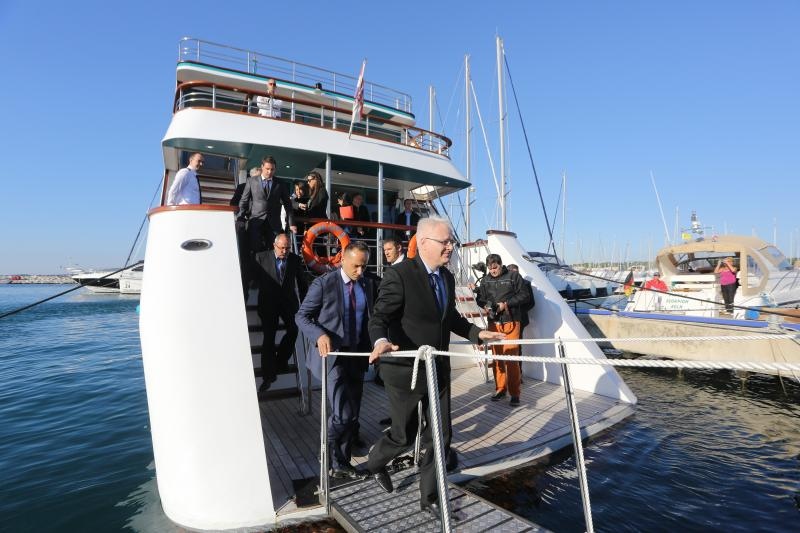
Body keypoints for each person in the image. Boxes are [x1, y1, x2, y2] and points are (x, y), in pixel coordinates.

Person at [366, 216, 505, 518]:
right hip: (406, 370)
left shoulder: (446, 277)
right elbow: (379, 317)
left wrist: (475, 333)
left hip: (437, 367)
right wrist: (379, 341)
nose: (451, 247)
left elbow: (450, 317)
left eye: (451, 242)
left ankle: (430, 497)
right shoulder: (399, 275)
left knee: (440, 436)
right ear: (426, 243)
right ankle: (375, 463)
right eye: (446, 242)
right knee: (404, 435)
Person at [295, 241, 379, 479]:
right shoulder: (323, 284)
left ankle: (340, 461)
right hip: (332, 357)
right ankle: (329, 453)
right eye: (356, 266)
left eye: (364, 266)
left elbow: (370, 319)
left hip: (357, 355)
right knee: (342, 413)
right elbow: (301, 316)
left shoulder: (366, 283)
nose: (360, 272)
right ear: (342, 259)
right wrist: (320, 334)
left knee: (352, 414)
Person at [253, 233, 308, 391]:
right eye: (282, 248)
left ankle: (281, 360)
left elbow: (303, 284)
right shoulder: (260, 258)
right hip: (268, 304)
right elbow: (249, 277)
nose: (285, 251)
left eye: (288, 248)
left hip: (288, 303)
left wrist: (306, 305)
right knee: (269, 338)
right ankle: (268, 376)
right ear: (274, 245)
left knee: (294, 329)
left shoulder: (295, 260)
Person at [473, 254, 529, 407]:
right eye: (490, 268)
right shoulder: (485, 280)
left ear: (501, 264)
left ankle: (515, 393)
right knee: (497, 358)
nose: (493, 271)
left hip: (511, 321)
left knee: (511, 358)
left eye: (495, 267)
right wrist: (485, 305)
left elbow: (525, 295)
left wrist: (506, 304)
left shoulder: (514, 276)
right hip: (494, 323)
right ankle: (500, 389)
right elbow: (480, 298)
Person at [238, 156, 297, 254]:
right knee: (255, 250)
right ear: (262, 167)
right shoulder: (251, 181)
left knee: (274, 251)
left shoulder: (280, 183)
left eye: (272, 169)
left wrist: (292, 223)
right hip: (256, 222)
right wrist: (240, 218)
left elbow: (288, 204)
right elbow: (244, 201)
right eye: (267, 169)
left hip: (274, 225)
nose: (270, 172)